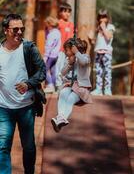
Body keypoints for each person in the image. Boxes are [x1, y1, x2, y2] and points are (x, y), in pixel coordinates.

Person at [0, 14, 46, 174]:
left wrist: (28, 84)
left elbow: (42, 71)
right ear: (6, 30)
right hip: (3, 108)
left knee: (29, 146)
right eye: (15, 29)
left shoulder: (29, 48)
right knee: (3, 146)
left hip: (26, 107)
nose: (20, 32)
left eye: (22, 28)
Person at [51, 38, 92, 133]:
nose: (65, 52)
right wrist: (69, 63)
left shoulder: (85, 57)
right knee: (63, 93)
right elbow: (63, 72)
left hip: (81, 87)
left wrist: (77, 53)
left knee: (71, 98)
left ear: (73, 49)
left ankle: (62, 118)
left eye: (66, 50)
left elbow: (83, 62)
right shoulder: (68, 59)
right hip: (70, 85)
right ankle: (60, 117)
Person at [90, 9, 115, 96]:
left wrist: (104, 27)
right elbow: (97, 42)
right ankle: (98, 89)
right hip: (98, 52)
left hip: (106, 52)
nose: (102, 19)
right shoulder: (98, 29)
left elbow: (108, 37)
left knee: (107, 72)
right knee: (98, 71)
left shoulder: (110, 27)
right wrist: (91, 40)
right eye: (100, 17)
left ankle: (107, 89)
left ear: (108, 18)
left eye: (104, 17)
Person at [55, 2, 74, 91]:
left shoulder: (72, 25)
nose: (67, 13)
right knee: (59, 67)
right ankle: (58, 85)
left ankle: (65, 84)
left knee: (67, 67)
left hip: (69, 51)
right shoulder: (58, 23)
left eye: (68, 11)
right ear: (60, 12)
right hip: (61, 50)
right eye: (64, 11)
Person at [43, 16, 61, 93]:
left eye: (47, 25)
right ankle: (54, 86)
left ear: (50, 24)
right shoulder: (58, 32)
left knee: (44, 70)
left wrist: (45, 57)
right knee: (53, 70)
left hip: (50, 55)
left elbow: (49, 46)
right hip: (56, 55)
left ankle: (50, 85)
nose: (46, 27)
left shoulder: (51, 35)